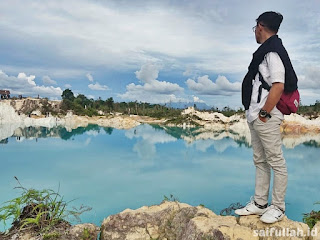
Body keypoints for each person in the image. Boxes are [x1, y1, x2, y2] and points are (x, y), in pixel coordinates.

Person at [235, 11, 298, 224]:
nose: (255, 32)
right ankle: (260, 203)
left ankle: (278, 206)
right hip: (256, 114)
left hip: (266, 116)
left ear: (260, 26)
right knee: (260, 160)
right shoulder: (266, 51)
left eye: (255, 28)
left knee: (275, 161)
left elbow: (278, 85)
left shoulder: (272, 52)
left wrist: (264, 113)